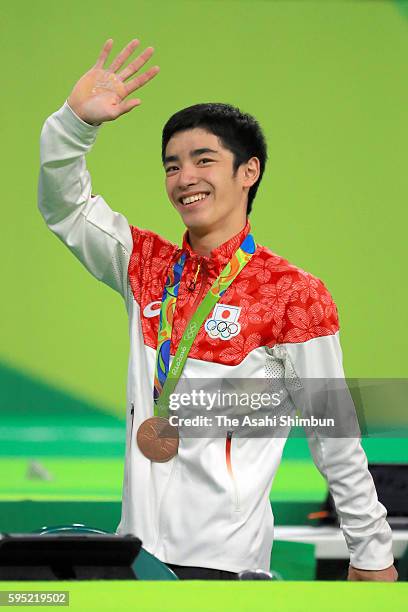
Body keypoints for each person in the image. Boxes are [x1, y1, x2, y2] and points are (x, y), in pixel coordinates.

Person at [38, 37, 397, 581]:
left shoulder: (292, 293)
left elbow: (334, 432)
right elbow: (64, 206)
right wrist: (73, 124)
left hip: (225, 571)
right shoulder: (143, 266)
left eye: (203, 160)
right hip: (137, 559)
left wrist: (371, 554)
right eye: (172, 166)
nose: (185, 179)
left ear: (248, 171)